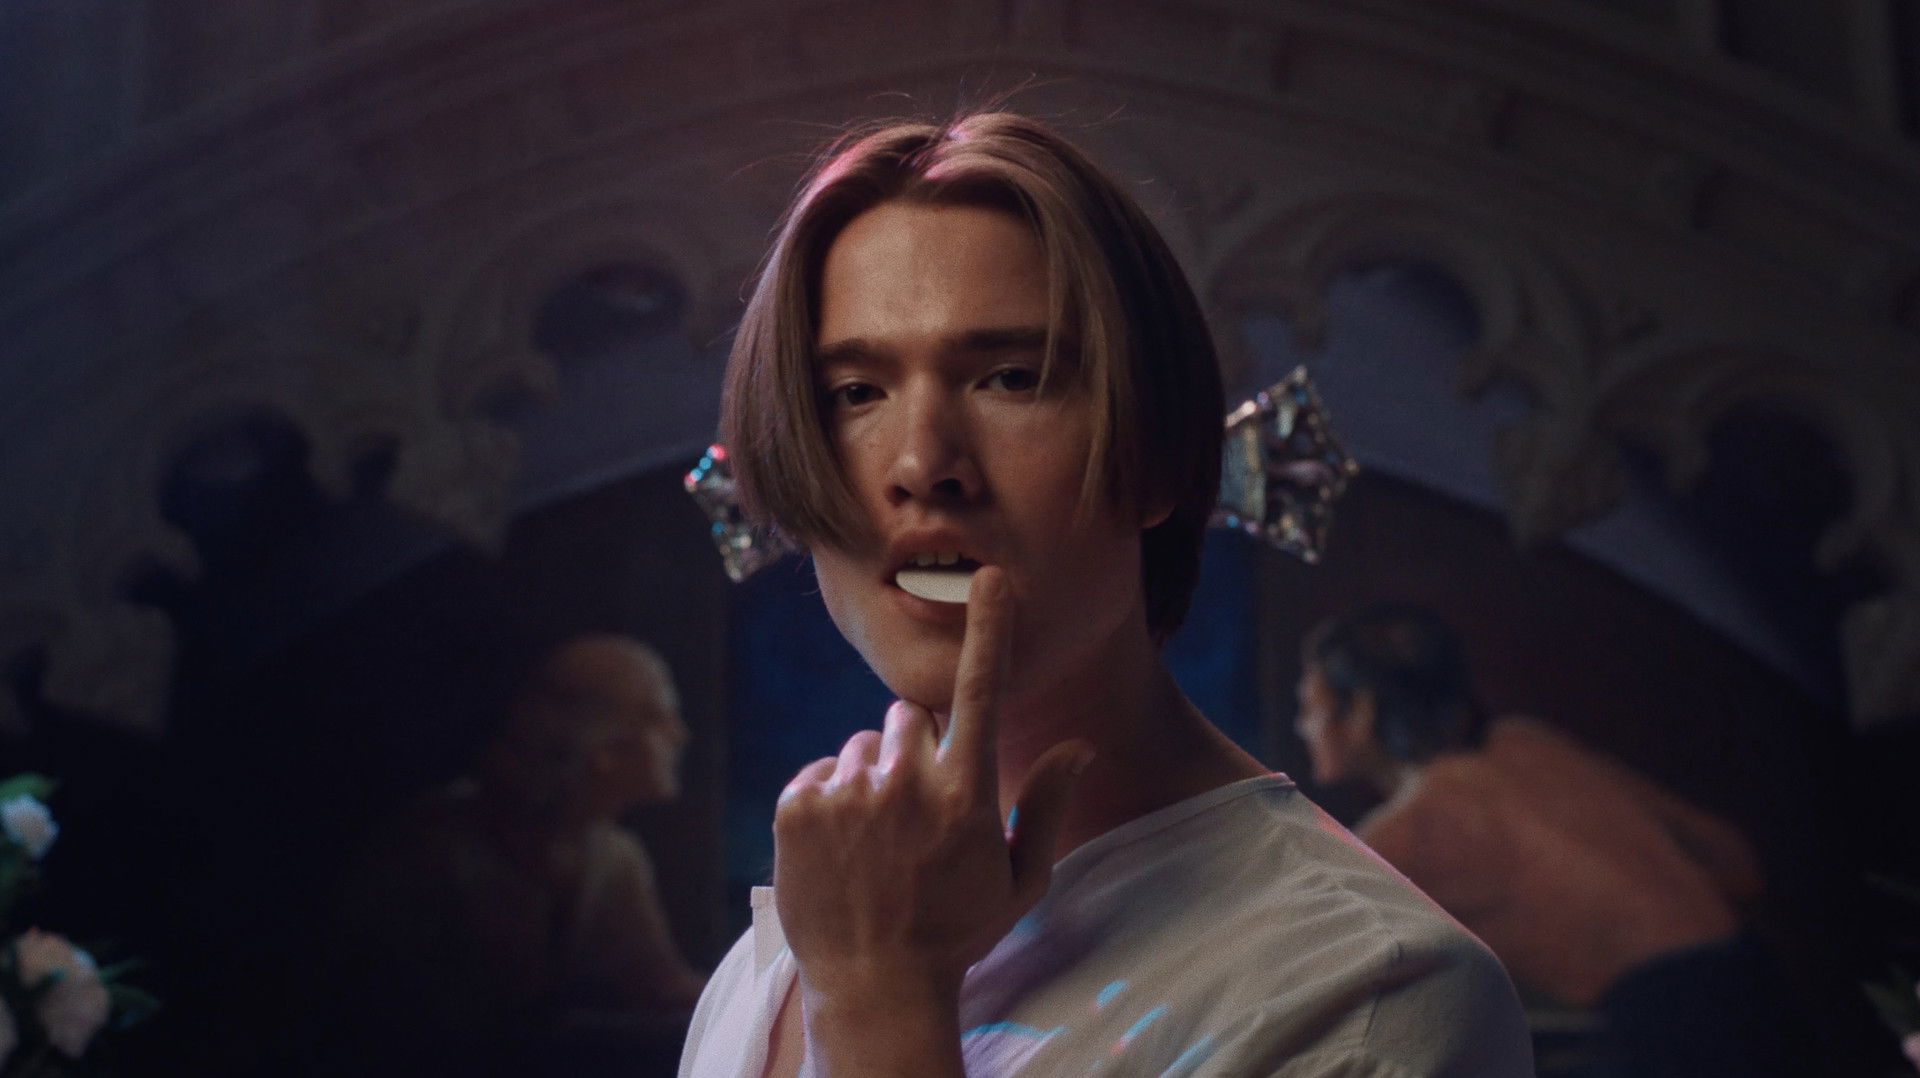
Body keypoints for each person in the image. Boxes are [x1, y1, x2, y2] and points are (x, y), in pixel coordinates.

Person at [680, 111, 1531, 1077]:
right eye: (855, 393)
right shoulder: (778, 959)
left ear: (1156, 455)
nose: (922, 465)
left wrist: (881, 1008)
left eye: (1012, 378)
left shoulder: (1372, 996)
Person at [1295, 603, 1780, 1077]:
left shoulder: (1404, 836)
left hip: (1672, 1030)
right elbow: (1735, 860)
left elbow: (1298, 988)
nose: (1302, 725)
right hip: (1762, 987)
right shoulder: (1526, 742)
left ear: (1361, 710)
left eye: (1308, 706)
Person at [329, 634, 704, 1072]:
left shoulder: (614, 856)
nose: (679, 733)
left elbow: (661, 988)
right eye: (656, 717)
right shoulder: (442, 847)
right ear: (603, 744)